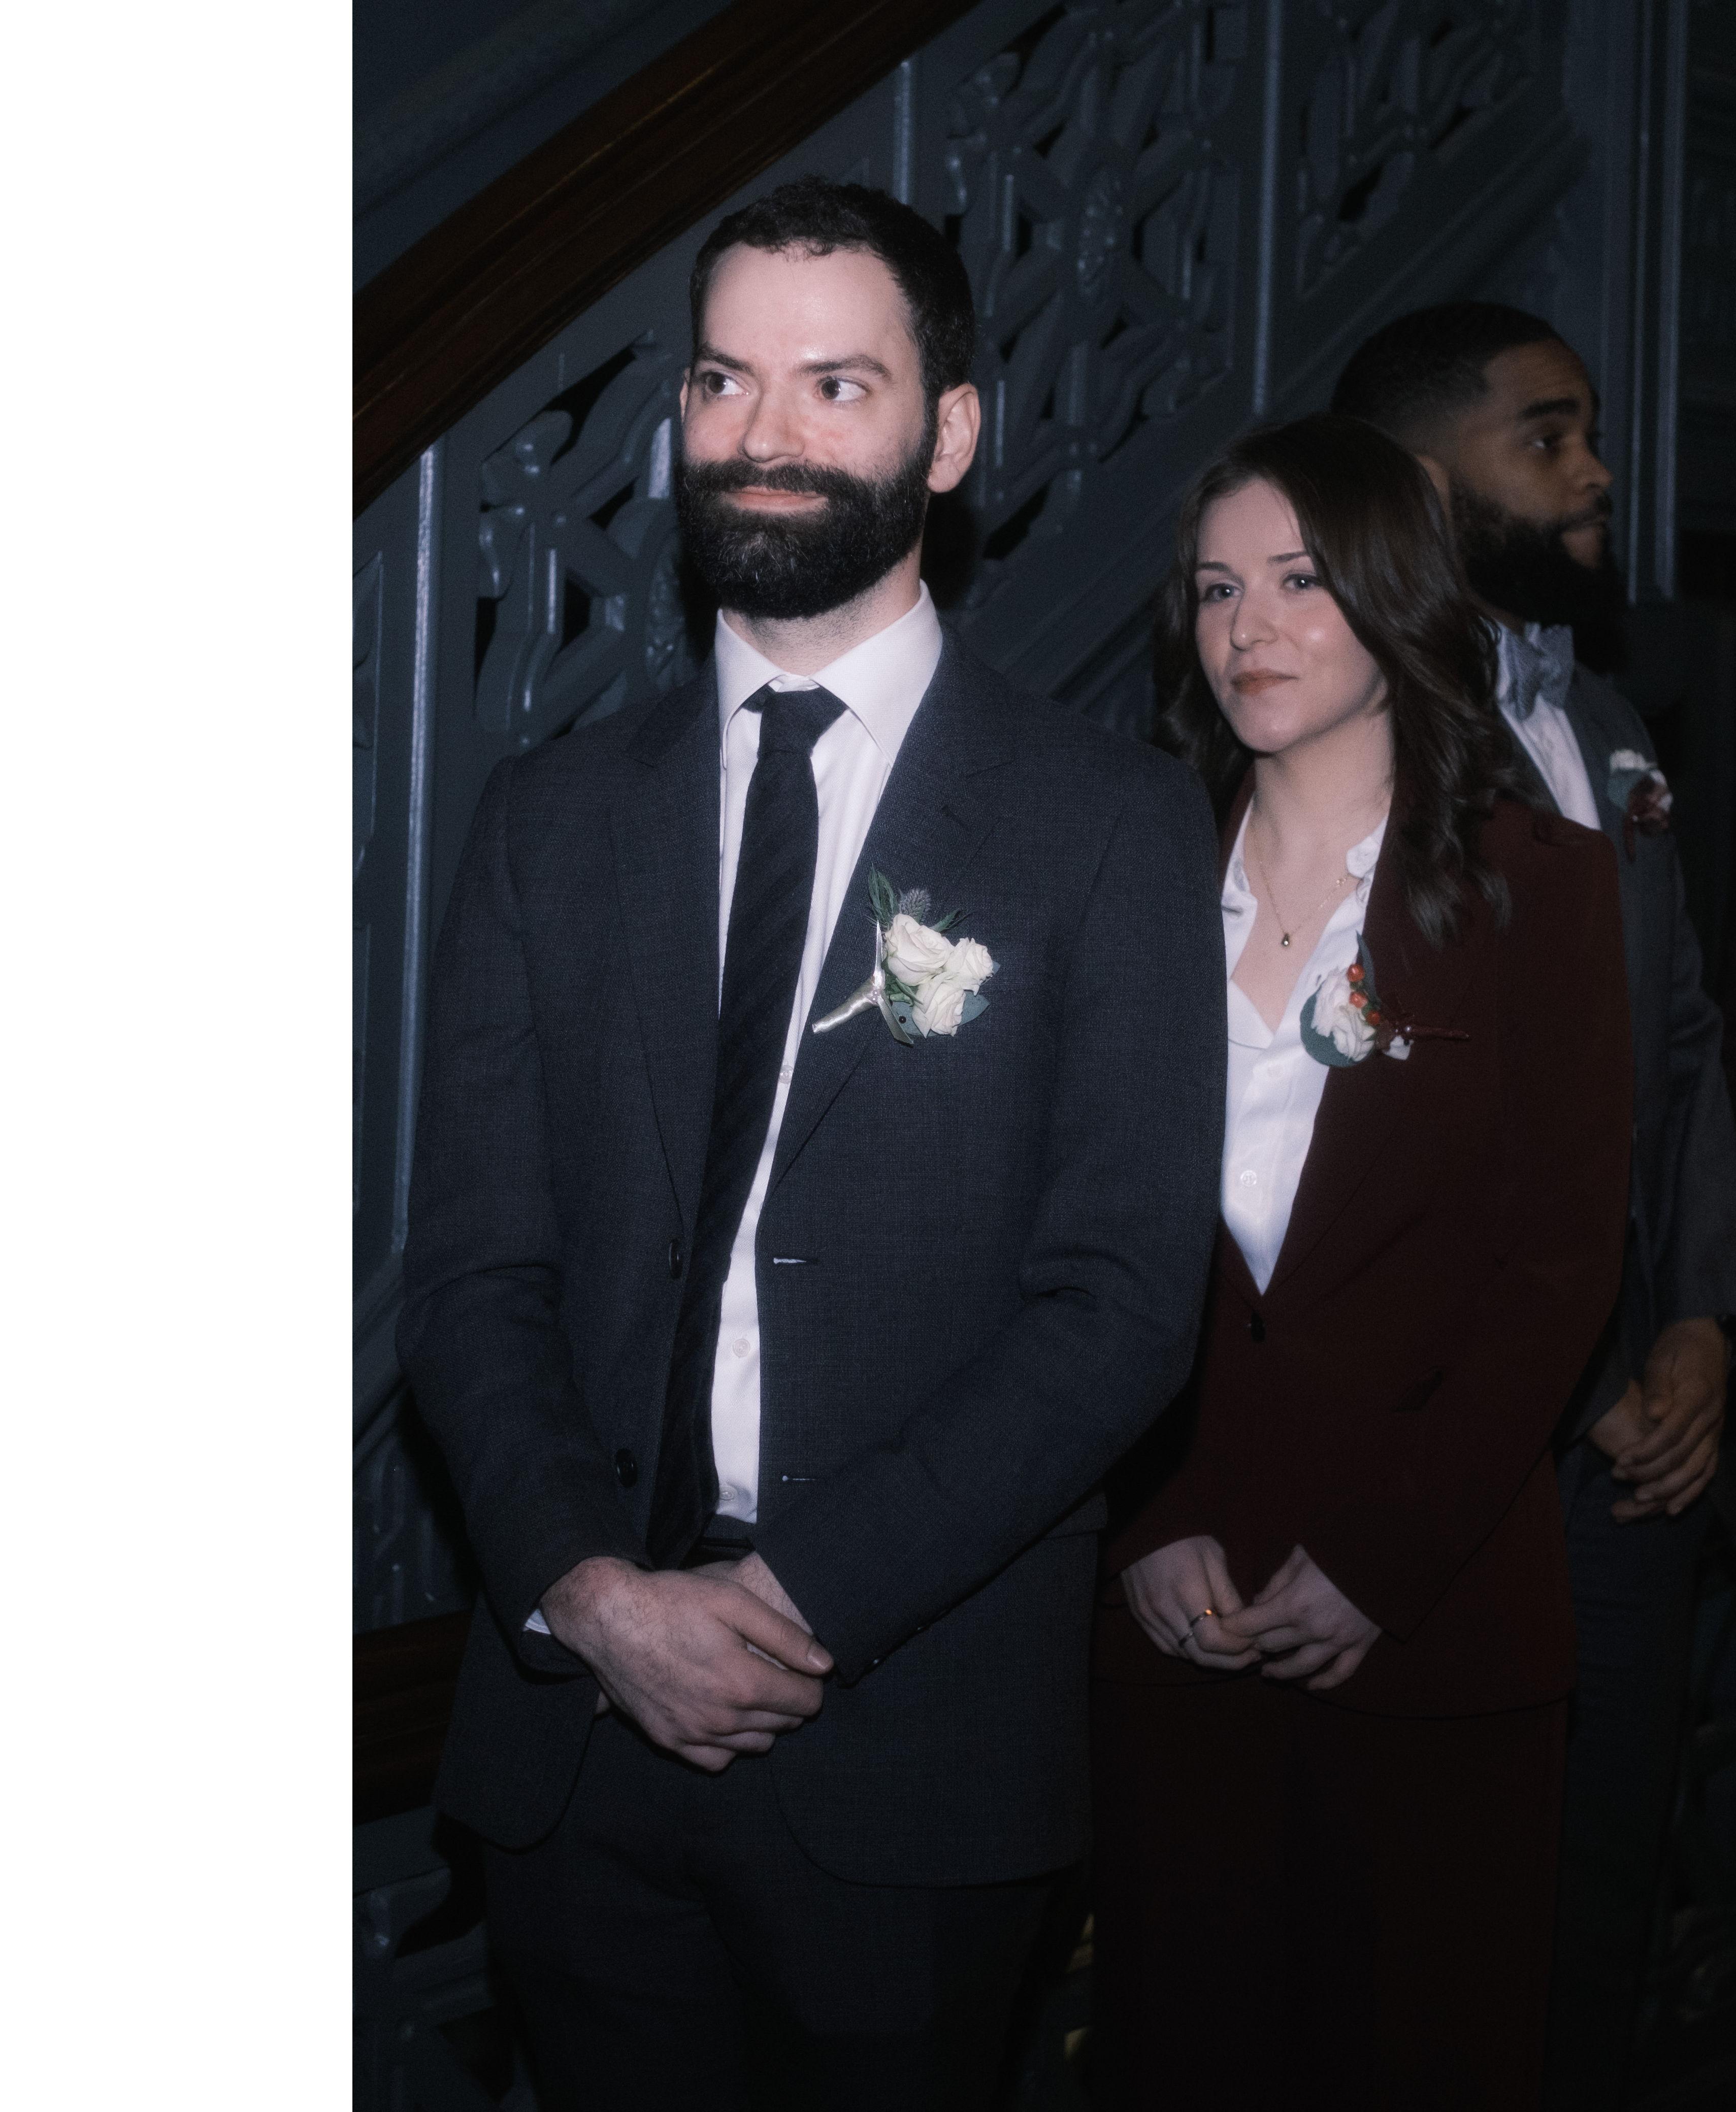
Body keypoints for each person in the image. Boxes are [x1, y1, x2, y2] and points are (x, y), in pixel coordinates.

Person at [397, 176, 1226, 2112]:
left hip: (910, 1741)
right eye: (722, 381)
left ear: (949, 436)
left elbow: (1119, 1306)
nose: (762, 434)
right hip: (575, 1739)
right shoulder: (547, 819)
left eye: (834, 384)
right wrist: (595, 1595)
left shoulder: (1107, 822)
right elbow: (472, 1276)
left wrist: (796, 1603)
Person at [1089, 415, 1633, 2109]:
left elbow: (1560, 1265)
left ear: (1394, 594)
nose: (1247, 629)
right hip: (1176, 1623)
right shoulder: (1122, 874)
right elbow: (1064, 1246)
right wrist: (1146, 1513)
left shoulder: (1537, 884)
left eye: (1299, 582)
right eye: (1216, 590)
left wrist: (1386, 1557)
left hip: (1440, 1621)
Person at [1333, 302, 1736, 2108]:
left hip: (1639, 1451)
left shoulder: (1606, 716)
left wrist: (1705, 1325)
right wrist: (1561, 1375)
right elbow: (1358, 1127)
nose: (1596, 472)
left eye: (1590, 432)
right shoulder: (1338, 723)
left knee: (1595, 1910)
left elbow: (1684, 1042)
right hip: (1436, 1450)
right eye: (1549, 436)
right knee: (1424, 1931)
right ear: (1427, 485)